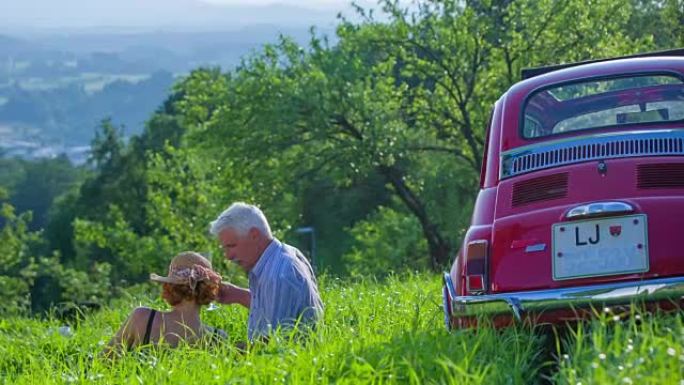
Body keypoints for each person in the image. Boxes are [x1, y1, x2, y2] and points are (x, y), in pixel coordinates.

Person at [210, 202, 323, 341]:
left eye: (232, 246)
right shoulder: (281, 256)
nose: (228, 256)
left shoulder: (280, 274)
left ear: (254, 235)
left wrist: (220, 348)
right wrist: (240, 296)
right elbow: (279, 309)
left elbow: (273, 347)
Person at [104, 251, 226, 356]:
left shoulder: (143, 318)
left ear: (170, 286)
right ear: (209, 290)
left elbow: (105, 361)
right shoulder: (217, 337)